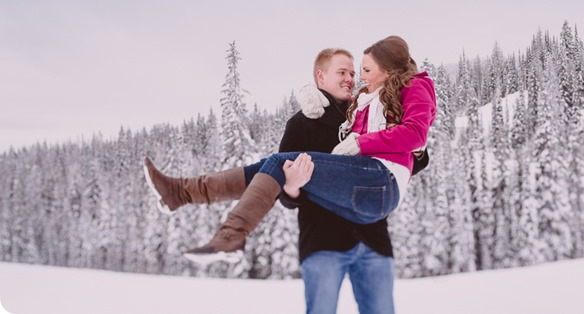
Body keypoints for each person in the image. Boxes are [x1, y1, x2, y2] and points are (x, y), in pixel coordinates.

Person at [143, 35, 437, 266]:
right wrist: (312, 102)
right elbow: (290, 187)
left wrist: (365, 142)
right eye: (345, 72)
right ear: (321, 78)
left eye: (362, 70)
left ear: (386, 69)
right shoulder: (345, 108)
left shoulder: (396, 93)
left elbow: (411, 140)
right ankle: (183, 195)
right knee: (276, 166)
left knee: (278, 163)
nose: (356, 77)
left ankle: (221, 227)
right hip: (341, 217)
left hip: (375, 201)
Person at [279, 48, 396, 314]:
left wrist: (417, 148)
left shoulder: (371, 115)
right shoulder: (300, 125)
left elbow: (407, 158)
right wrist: (291, 185)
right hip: (323, 242)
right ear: (321, 76)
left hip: (372, 238)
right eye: (342, 72)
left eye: (353, 73)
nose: (350, 79)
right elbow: (284, 190)